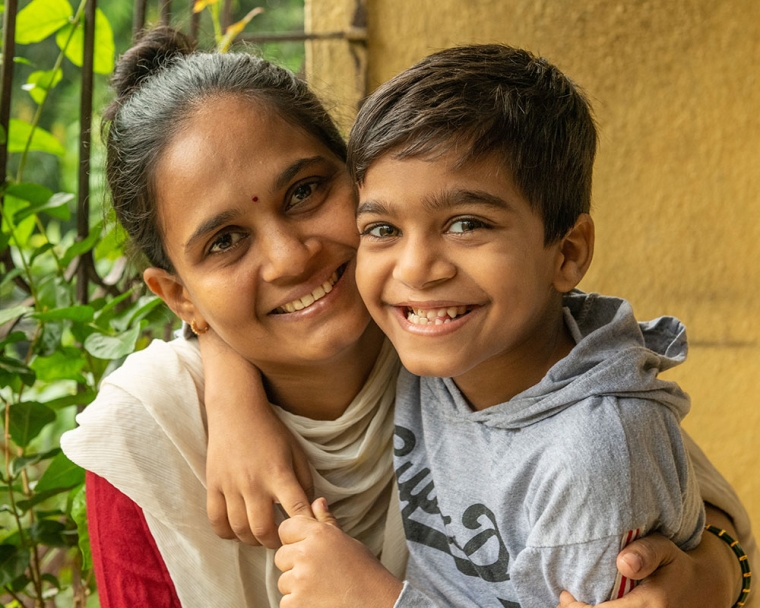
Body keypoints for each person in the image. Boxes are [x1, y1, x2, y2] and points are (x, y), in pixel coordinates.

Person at [59, 27, 756, 608]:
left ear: (362, 177)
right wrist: (227, 387)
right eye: (224, 241)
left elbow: (678, 495)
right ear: (179, 294)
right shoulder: (155, 432)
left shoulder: (452, 340)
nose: (289, 258)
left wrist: (710, 578)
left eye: (305, 191)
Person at [273, 44, 756, 608]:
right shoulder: (436, 337)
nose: (415, 270)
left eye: (466, 223)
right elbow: (260, 317)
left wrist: (377, 600)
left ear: (568, 253)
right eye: (382, 228)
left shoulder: (589, 462)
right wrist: (237, 409)